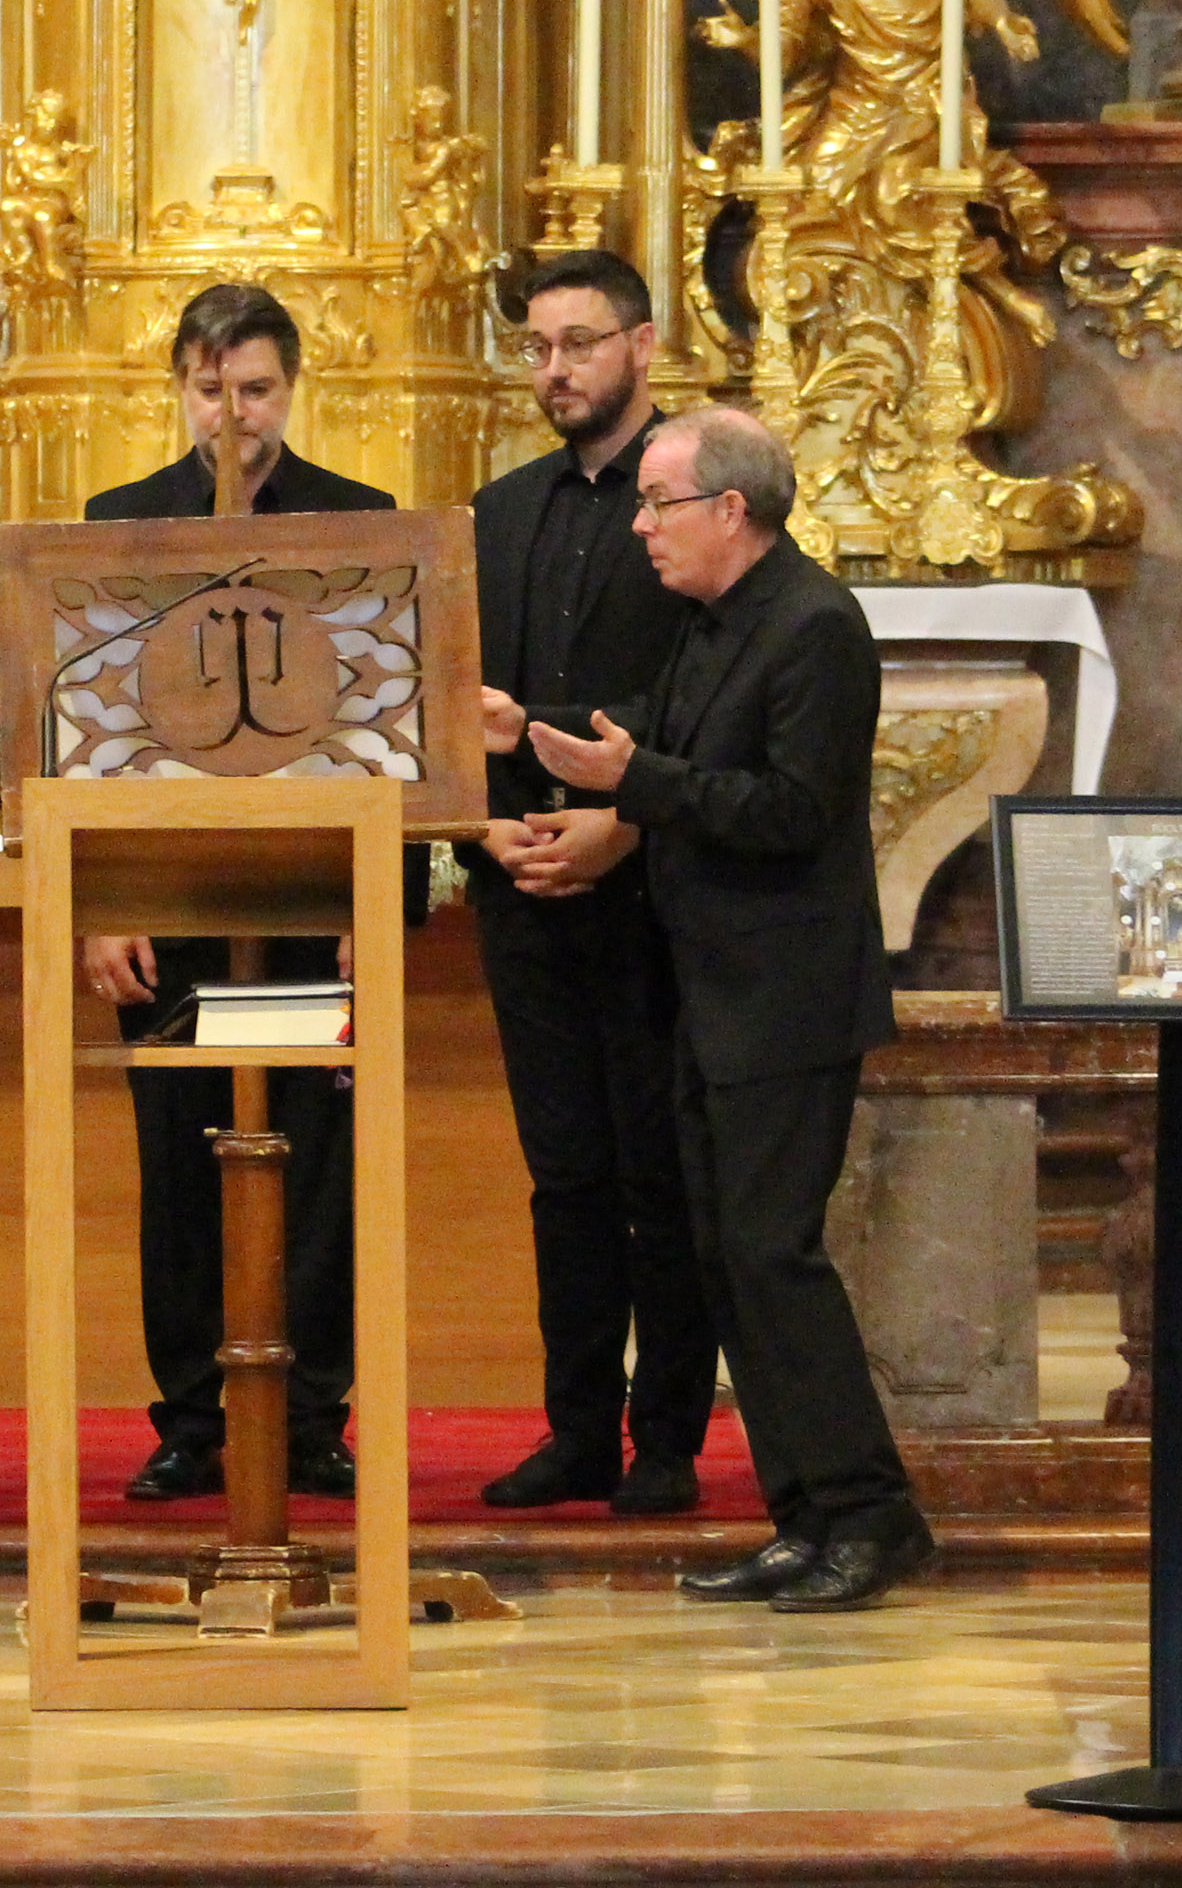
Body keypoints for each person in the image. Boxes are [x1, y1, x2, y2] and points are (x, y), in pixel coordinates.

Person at [485, 405, 935, 1610]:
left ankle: (871, 1515)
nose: (640, 525)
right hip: (711, 992)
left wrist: (636, 781)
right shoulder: (714, 619)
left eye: (658, 503)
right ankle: (804, 1514)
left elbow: (792, 809)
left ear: (730, 509)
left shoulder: (814, 625)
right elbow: (657, 735)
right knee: (728, 1261)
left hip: (786, 999)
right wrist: (530, 729)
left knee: (773, 1256)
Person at [81, 282, 394, 1504]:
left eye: (255, 389)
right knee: (179, 1164)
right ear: (179, 389)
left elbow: (386, 733)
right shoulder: (119, 526)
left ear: (290, 390)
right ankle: (192, 1418)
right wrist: (104, 902)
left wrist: (371, 904)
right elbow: (91, 731)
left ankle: (309, 1413)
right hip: (170, 910)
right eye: (211, 389)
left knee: (314, 1163)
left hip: (308, 904)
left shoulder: (357, 523)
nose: (233, 414)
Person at [462, 249, 717, 1515]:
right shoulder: (501, 510)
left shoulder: (696, 497)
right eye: (537, 347)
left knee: (658, 1173)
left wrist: (625, 823)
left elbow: (710, 693)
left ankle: (665, 1438)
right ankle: (574, 1430)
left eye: (578, 343)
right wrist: (485, 834)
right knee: (563, 1174)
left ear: (643, 346)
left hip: (650, 889)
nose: (554, 369)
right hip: (522, 885)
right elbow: (451, 697)